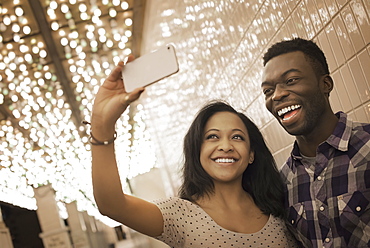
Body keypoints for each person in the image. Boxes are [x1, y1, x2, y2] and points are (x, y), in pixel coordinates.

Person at [90, 57, 299, 247]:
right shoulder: (179, 215)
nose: (225, 146)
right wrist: (101, 124)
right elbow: (111, 205)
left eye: (237, 137)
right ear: (197, 152)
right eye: (212, 137)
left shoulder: (278, 206)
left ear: (251, 154)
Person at [261, 37, 370, 248]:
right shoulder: (282, 182)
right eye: (268, 90)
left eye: (291, 80)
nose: (277, 95)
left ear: (325, 84)